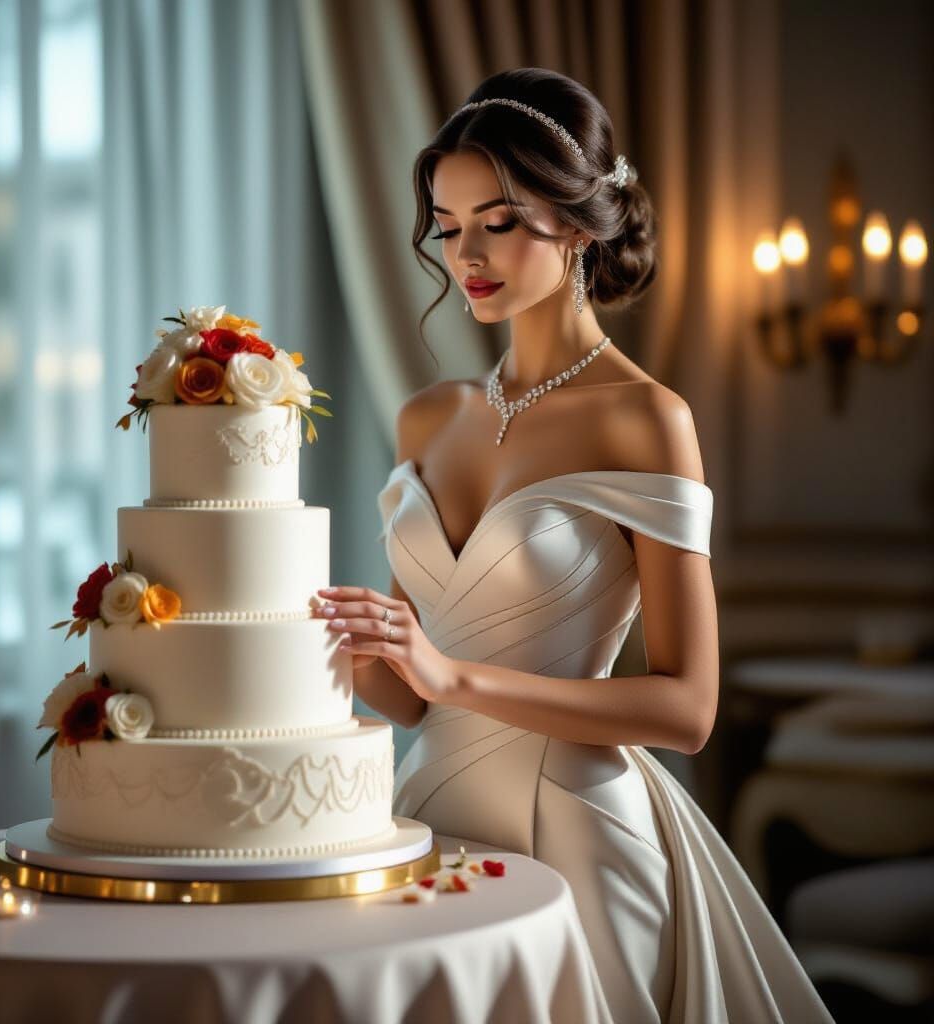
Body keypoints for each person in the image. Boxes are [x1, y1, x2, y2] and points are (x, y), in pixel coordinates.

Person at [312, 68, 835, 1023]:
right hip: (425, 817)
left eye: (499, 221)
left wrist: (453, 677)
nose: (464, 252)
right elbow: (411, 694)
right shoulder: (429, 419)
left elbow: (688, 709)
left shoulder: (648, 421)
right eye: (446, 222)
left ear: (582, 223)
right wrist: (348, 646)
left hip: (578, 833)